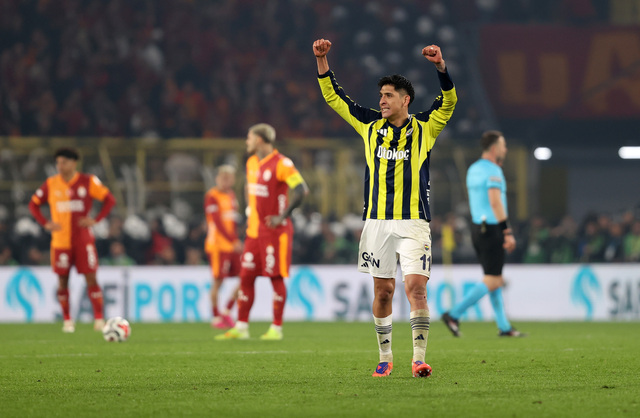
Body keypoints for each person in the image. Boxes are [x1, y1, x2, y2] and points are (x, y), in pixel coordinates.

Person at [313, 38, 457, 378]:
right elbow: (334, 97)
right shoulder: (368, 124)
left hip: (414, 222)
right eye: (381, 95)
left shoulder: (425, 127)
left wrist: (440, 67)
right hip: (377, 222)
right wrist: (322, 60)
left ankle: (419, 359)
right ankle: (385, 356)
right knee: (384, 291)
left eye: (389, 95)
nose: (382, 100)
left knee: (416, 288)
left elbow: (449, 101)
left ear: (405, 100)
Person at [216, 123, 308, 341]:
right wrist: (249, 208)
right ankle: (241, 326)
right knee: (246, 277)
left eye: (249, 137)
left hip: (275, 232)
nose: (246, 141)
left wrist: (282, 216)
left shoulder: (282, 164)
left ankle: (276, 328)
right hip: (254, 232)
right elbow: (249, 187)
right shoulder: (251, 162)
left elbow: (302, 190)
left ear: (259, 140)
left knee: (275, 277)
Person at [441, 130, 525, 337]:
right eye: (503, 146)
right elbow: (495, 201)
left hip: (477, 228)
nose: (506, 150)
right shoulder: (494, 171)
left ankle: (504, 326)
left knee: (493, 276)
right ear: (495, 148)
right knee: (494, 280)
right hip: (493, 228)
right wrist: (507, 231)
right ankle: (454, 314)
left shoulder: (473, 169)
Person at [29, 147, 116, 333]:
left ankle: (99, 319)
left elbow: (110, 200)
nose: (60, 166)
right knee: (62, 280)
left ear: (74, 163)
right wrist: (45, 223)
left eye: (64, 162)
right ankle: (68, 321)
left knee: (91, 278)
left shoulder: (88, 181)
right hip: (60, 242)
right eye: (58, 163)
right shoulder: (51, 183)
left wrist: (96, 220)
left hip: (83, 241)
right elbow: (33, 204)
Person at [204, 165, 242, 329]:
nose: (226, 181)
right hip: (218, 246)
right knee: (218, 282)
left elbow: (232, 222)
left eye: (229, 178)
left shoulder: (232, 196)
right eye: (223, 178)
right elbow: (217, 222)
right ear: (217, 179)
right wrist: (234, 240)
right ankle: (215, 318)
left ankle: (226, 311)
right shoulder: (212, 196)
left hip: (231, 246)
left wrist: (235, 239)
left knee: (245, 278)